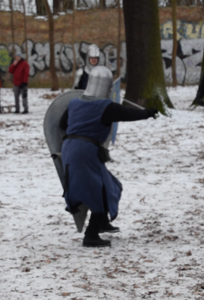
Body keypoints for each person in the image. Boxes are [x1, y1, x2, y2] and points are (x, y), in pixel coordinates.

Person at [60, 66, 159, 248]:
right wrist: (148, 112)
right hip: (85, 152)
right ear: (107, 87)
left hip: (71, 148)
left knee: (111, 185)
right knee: (99, 192)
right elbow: (129, 114)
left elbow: (61, 123)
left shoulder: (74, 103)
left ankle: (102, 222)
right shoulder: (105, 107)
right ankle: (91, 235)